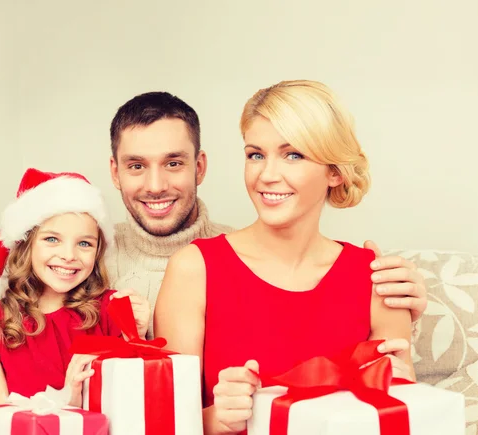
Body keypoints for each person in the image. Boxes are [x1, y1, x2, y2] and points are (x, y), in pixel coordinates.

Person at [0, 91, 427, 435]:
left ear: (201, 166)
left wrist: (407, 314)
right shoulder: (82, 257)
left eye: (174, 163)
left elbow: (401, 400)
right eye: (256, 154)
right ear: (114, 172)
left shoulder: (370, 274)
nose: (157, 185)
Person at [153, 80, 415, 435]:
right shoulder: (194, 268)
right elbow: (167, 425)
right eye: (255, 155)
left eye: (293, 155)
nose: (267, 175)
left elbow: (399, 417)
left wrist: (401, 389)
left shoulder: (377, 280)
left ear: (334, 172)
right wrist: (219, 418)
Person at [0, 167, 150, 408]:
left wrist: (136, 336)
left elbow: (137, 401)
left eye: (84, 243)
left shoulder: (110, 308)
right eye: (52, 239)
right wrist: (69, 400)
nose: (69, 255)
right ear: (26, 245)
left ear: (97, 252)